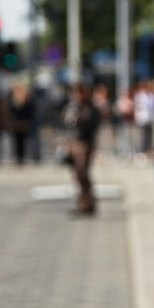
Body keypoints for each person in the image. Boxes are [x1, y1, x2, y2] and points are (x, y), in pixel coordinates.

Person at [63, 82, 101, 216]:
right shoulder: (74, 108)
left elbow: (92, 125)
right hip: (75, 143)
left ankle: (88, 202)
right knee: (78, 174)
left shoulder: (91, 108)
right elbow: (68, 124)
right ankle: (83, 201)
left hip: (85, 143)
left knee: (82, 173)